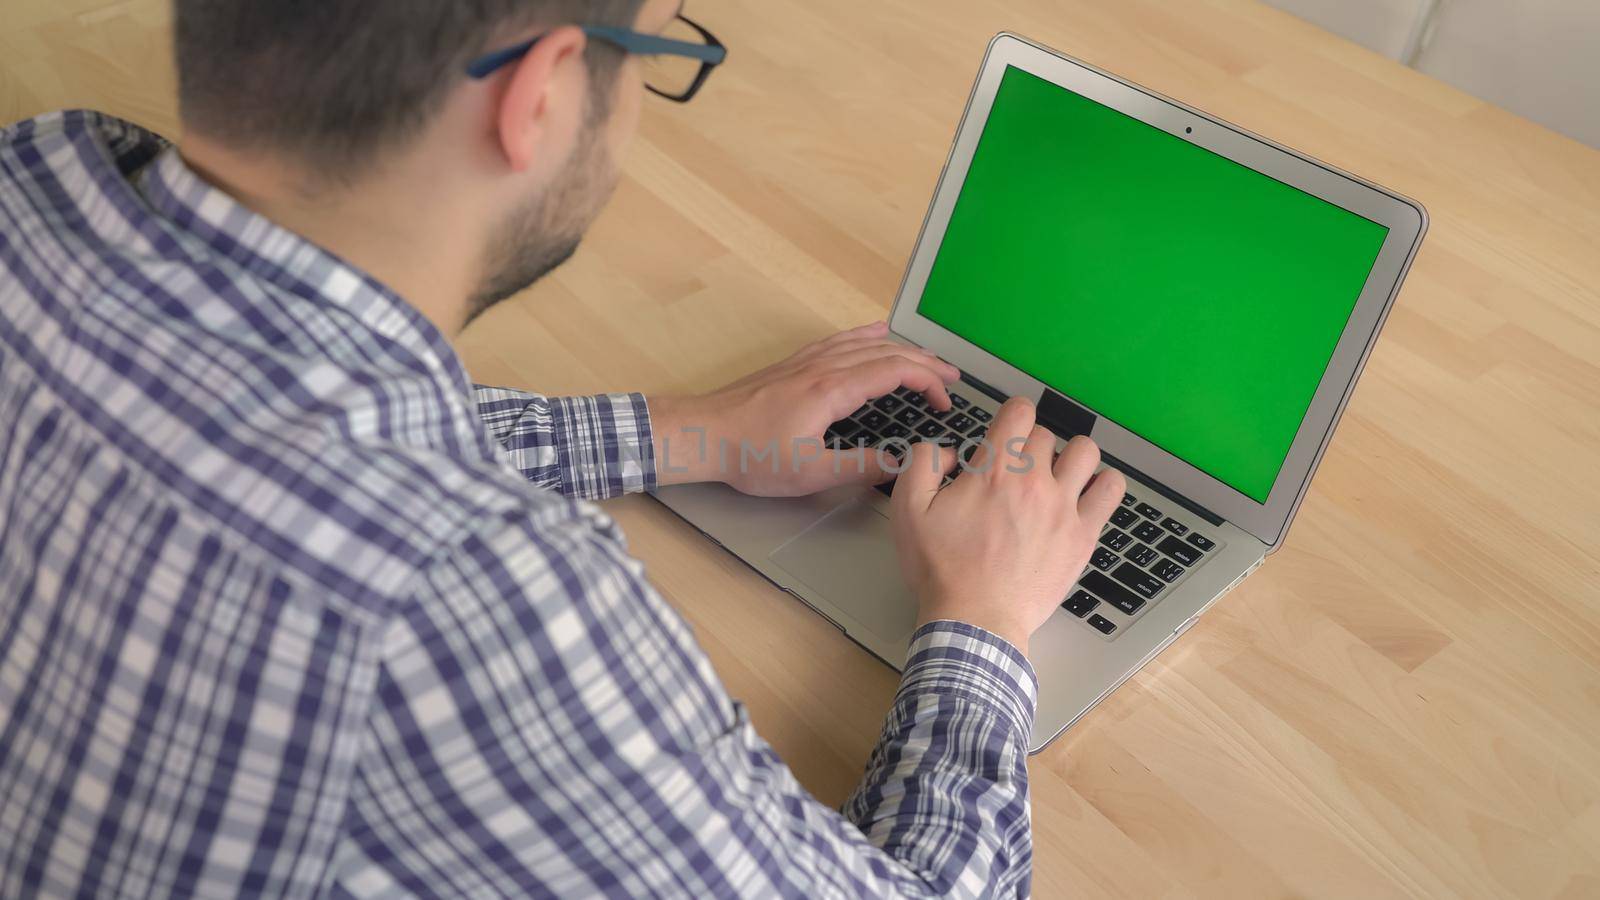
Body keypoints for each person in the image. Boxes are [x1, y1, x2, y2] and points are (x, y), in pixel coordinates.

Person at [0, 0, 1124, 895]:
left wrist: (680, 433)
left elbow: (252, 413)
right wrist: (982, 616)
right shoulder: (467, 602)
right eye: (654, 48)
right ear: (539, 94)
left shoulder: (40, 177)